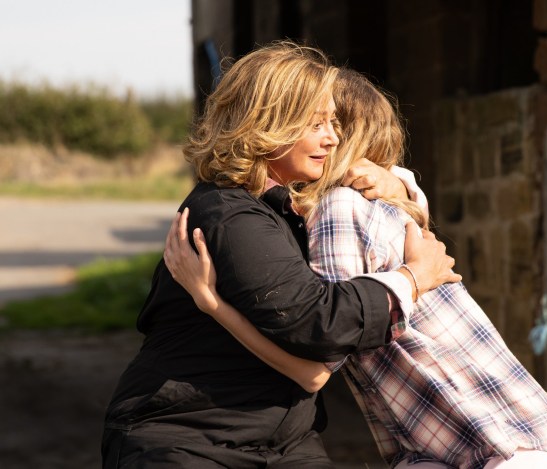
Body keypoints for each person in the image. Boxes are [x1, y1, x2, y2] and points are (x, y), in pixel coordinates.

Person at [164, 68, 547, 469]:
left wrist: (211, 302)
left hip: (497, 440)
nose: (324, 136)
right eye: (315, 122)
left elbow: (314, 368)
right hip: (450, 442)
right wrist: (399, 183)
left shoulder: (338, 211)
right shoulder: (363, 204)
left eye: (328, 123)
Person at [101, 42, 460, 469]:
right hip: (188, 439)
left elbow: (370, 210)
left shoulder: (287, 208)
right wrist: (414, 278)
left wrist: (398, 186)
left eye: (332, 123)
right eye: (317, 124)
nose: (332, 137)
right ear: (268, 125)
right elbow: (318, 323)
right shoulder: (229, 215)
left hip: (283, 443)